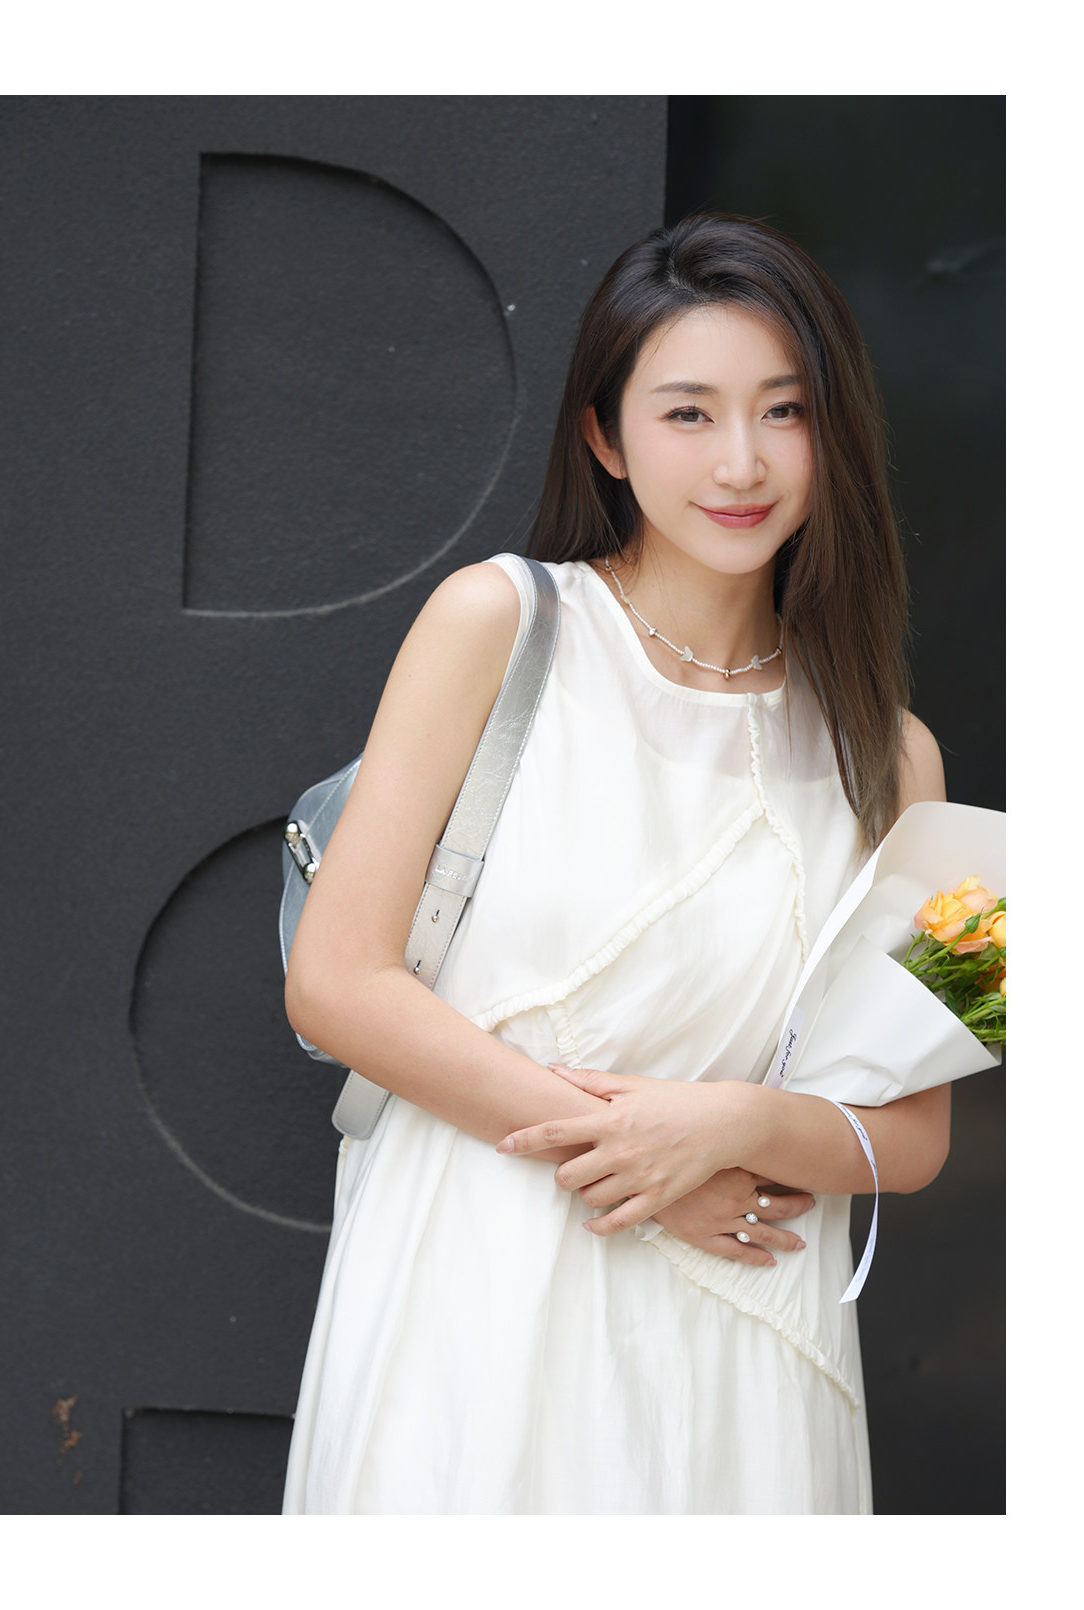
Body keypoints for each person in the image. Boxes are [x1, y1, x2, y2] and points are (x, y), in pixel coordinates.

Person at [281, 213, 949, 1515]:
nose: (742, 461)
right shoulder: (494, 622)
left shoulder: (901, 756)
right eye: (688, 413)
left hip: (750, 1330)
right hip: (481, 1281)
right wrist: (637, 1159)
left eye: (785, 410)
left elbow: (919, 1134)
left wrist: (732, 1129)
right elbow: (335, 980)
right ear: (605, 435)